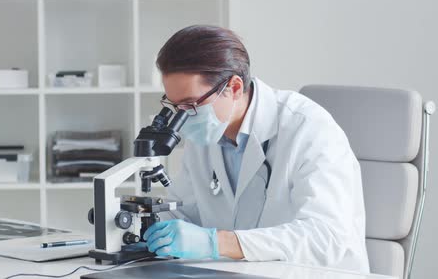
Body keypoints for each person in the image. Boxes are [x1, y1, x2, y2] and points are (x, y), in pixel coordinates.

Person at [143, 25, 369, 272]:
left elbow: (326, 238)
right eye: (175, 106)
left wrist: (217, 242)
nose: (183, 117)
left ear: (235, 87)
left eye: (191, 104)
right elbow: (183, 214)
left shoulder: (309, 128)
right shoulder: (206, 135)